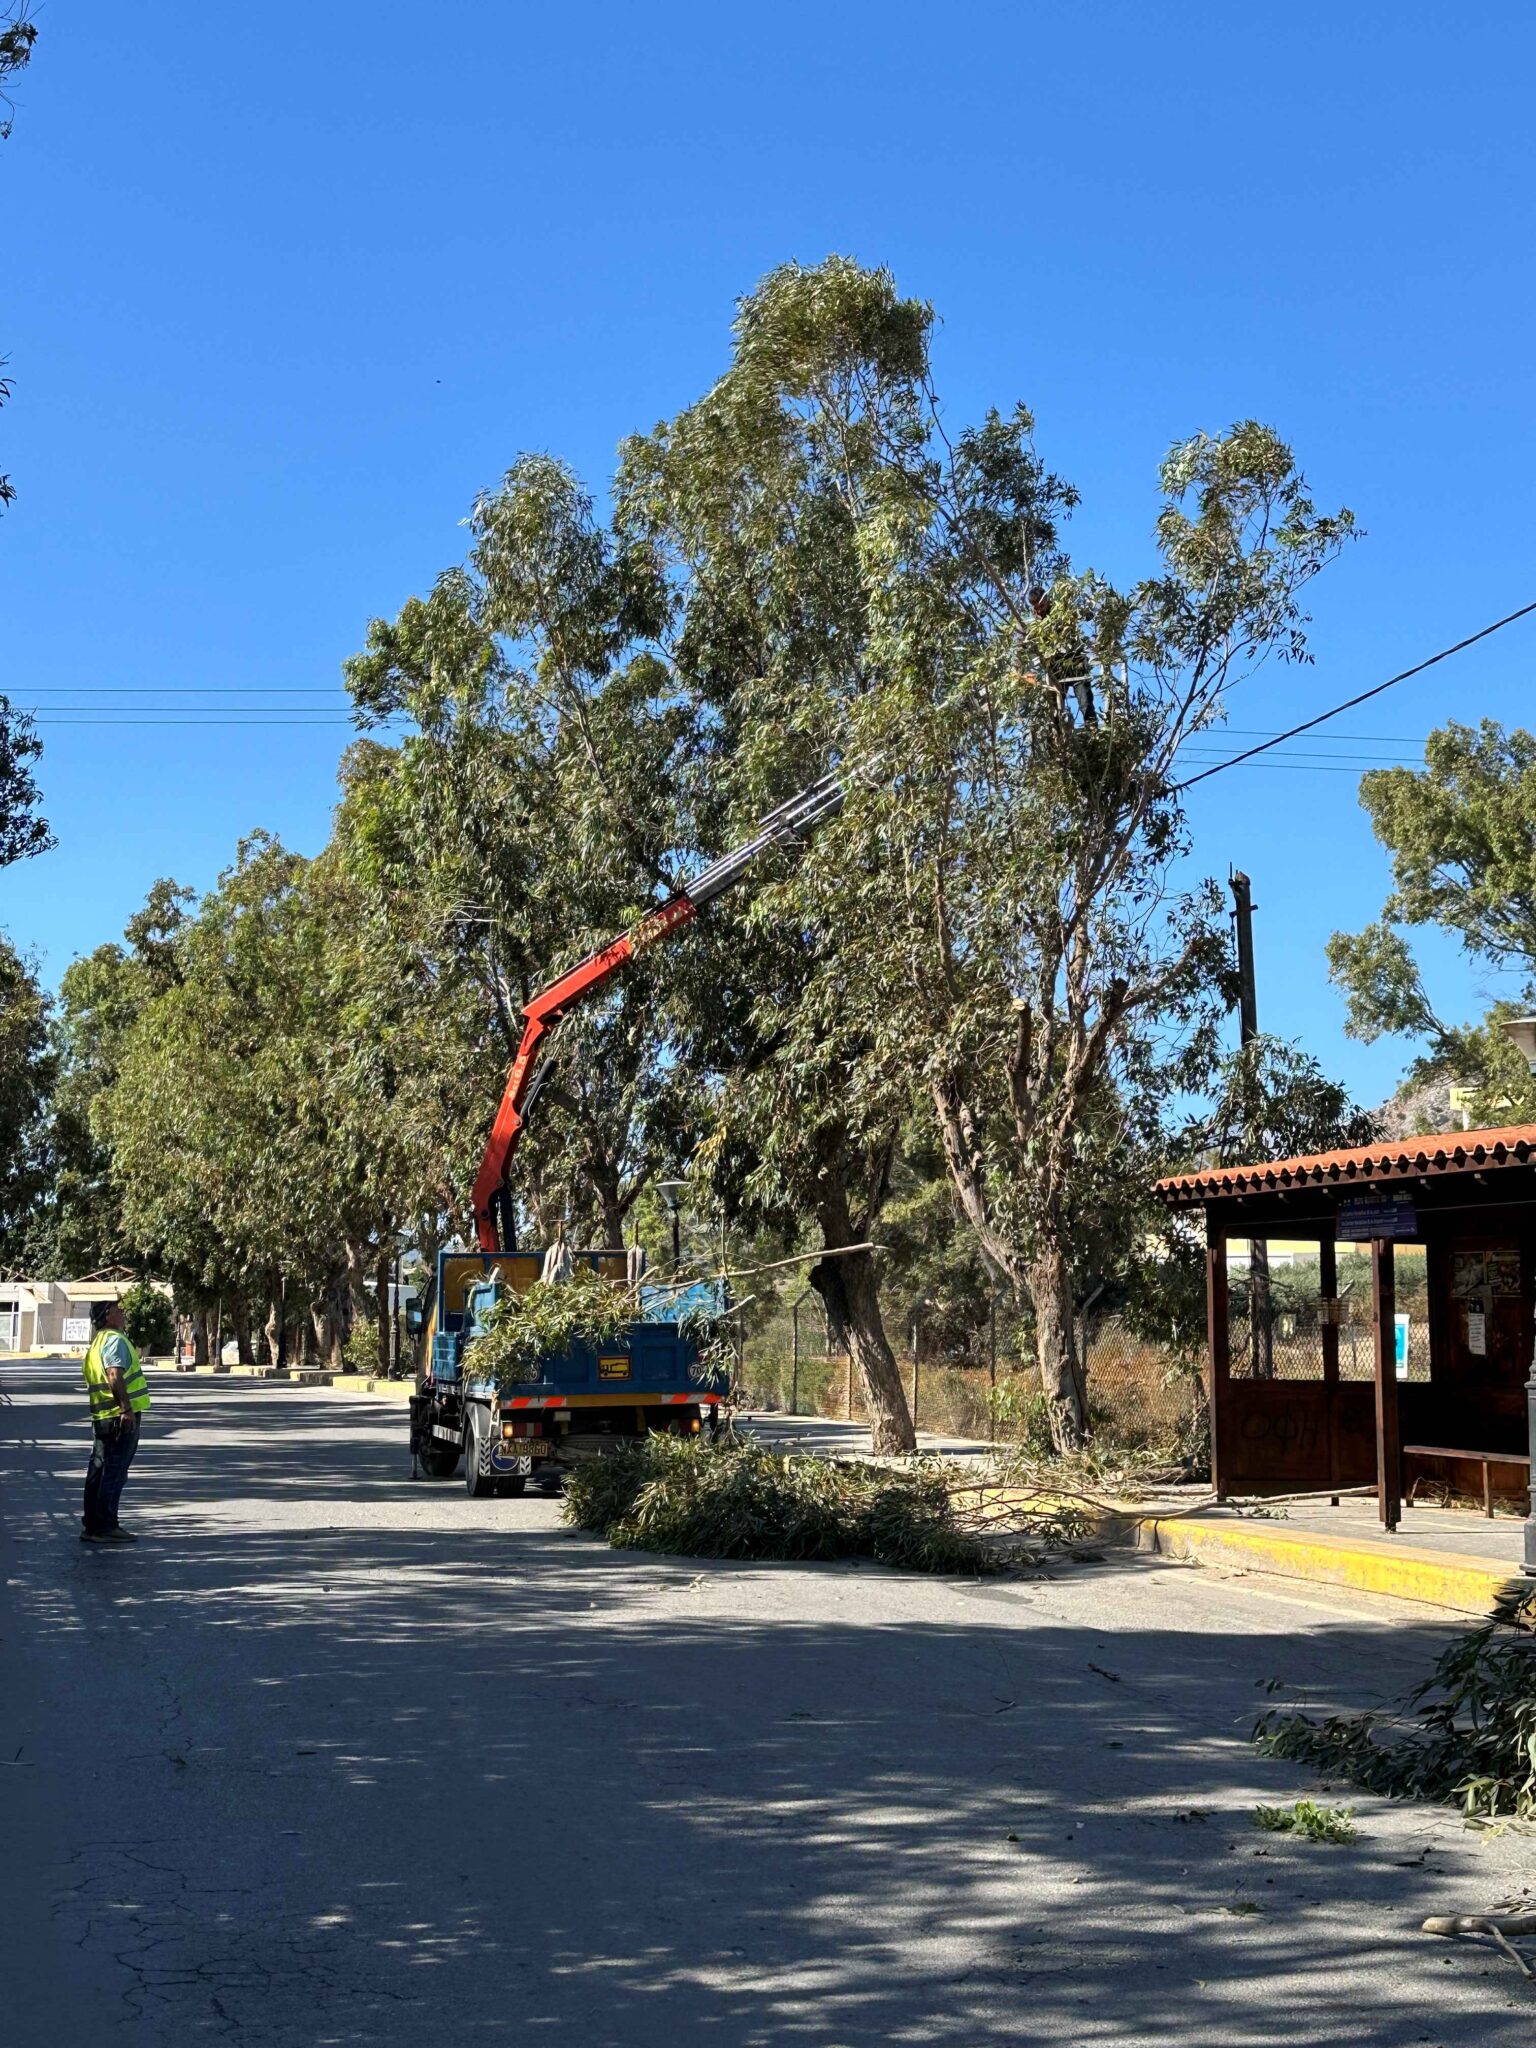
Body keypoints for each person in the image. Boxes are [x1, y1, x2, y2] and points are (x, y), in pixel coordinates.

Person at [80, 1299, 151, 1544]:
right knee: (114, 1471)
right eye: (118, 1310)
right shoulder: (114, 1340)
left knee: (99, 1469)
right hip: (118, 1417)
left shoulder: (98, 1342)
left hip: (103, 1417)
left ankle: (92, 1525)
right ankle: (105, 1526)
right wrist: (126, 1409)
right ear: (108, 1316)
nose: (123, 1313)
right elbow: (113, 1374)